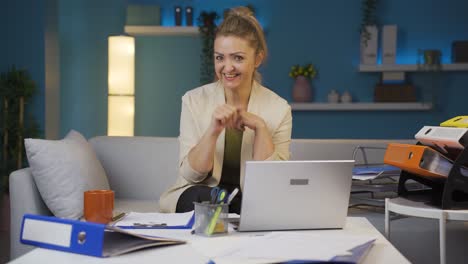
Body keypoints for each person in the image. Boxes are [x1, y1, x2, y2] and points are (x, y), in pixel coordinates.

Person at [159, 6, 292, 213]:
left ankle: (232, 212)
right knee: (203, 197)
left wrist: (260, 127)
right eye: (220, 57)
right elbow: (191, 175)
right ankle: (229, 212)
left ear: (257, 59)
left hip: (250, 199)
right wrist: (213, 130)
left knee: (254, 203)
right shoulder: (193, 100)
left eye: (237, 58)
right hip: (201, 194)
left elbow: (271, 182)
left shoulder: (279, 108)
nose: (227, 67)